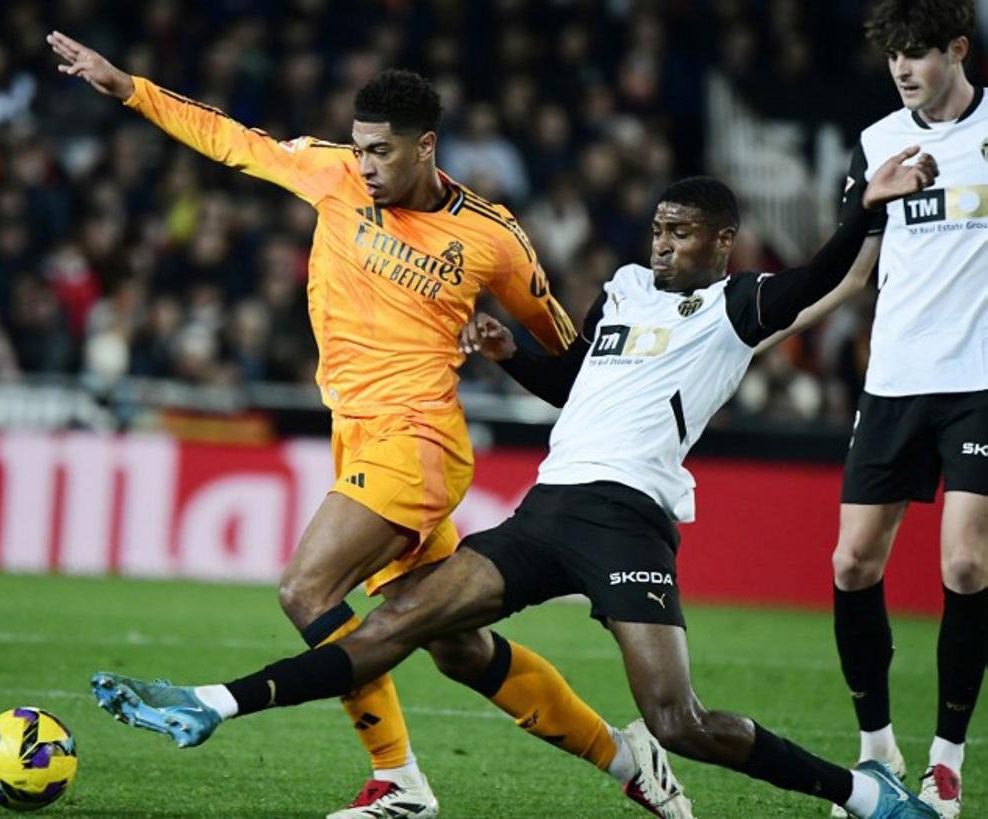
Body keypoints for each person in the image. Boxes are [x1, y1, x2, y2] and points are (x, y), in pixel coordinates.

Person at [89, 147, 945, 816]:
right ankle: (212, 702)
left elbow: (818, 278)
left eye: (681, 232)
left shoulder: (736, 305)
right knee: (400, 623)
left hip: (627, 518)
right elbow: (578, 382)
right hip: (547, 508)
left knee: (678, 720)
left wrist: (865, 211)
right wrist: (513, 355)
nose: (661, 243)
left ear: (721, 242)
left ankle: (865, 795)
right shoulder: (627, 290)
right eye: (658, 228)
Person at [47, 32, 695, 819]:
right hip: (359, 435)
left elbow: (568, 344)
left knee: (306, 587)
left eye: (382, 151)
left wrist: (624, 384)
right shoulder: (333, 175)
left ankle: (398, 780)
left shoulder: (491, 237)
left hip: (417, 441)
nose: (367, 166)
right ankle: (629, 758)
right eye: (359, 149)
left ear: (426, 146)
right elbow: (230, 140)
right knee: (457, 646)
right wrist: (128, 88)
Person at [756, 3, 986, 816]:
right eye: (893, 55)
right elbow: (854, 273)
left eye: (917, 53)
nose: (902, 68)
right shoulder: (880, 141)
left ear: (958, 49)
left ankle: (946, 760)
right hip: (893, 382)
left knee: (967, 563)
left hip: (978, 384)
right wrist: (762, 334)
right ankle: (877, 748)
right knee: (852, 563)